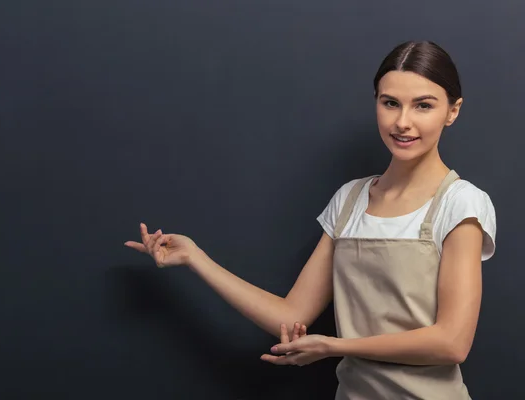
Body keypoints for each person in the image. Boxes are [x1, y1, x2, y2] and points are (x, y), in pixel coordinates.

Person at [124, 40, 497, 399]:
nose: (402, 122)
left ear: (453, 110)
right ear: (376, 104)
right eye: (390, 103)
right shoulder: (350, 200)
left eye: (423, 106)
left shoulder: (461, 203)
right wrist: (195, 258)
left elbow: (452, 342)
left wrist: (335, 346)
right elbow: (291, 315)